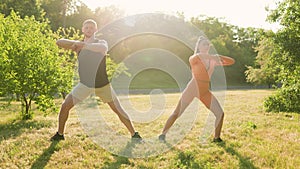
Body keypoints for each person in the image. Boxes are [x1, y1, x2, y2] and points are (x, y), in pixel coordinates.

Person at [50, 19, 142, 142]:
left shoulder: (101, 42)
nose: (89, 30)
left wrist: (84, 45)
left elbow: (102, 48)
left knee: (118, 110)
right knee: (65, 106)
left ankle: (134, 134)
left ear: (96, 30)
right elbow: (59, 42)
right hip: (85, 84)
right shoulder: (78, 45)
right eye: (86, 27)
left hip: (102, 85)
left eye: (92, 28)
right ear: (83, 29)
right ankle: (60, 134)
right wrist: (77, 43)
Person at [159, 36, 235, 142]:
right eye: (204, 44)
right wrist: (214, 57)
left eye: (208, 44)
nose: (207, 46)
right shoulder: (194, 58)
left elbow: (231, 61)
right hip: (193, 88)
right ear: (198, 46)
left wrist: (219, 56)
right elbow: (199, 56)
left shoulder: (212, 60)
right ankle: (162, 135)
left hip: (204, 91)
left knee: (220, 114)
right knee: (177, 113)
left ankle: (217, 138)